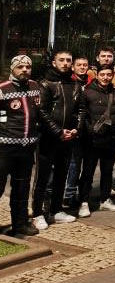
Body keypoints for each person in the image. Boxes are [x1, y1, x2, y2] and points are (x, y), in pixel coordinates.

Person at [1, 55, 69, 236]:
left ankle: (20, 224)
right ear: (13, 68)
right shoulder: (3, 89)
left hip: (27, 147)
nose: (24, 69)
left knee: (21, 188)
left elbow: (40, 112)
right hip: (5, 148)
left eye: (27, 67)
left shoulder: (35, 87)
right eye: (20, 66)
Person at [32, 50, 82, 230]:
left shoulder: (75, 84)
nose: (66, 63)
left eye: (69, 60)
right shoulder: (45, 84)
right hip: (48, 137)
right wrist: (58, 131)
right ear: (54, 63)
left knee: (62, 174)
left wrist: (76, 129)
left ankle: (56, 209)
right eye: (61, 60)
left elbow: (80, 109)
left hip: (68, 137)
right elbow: (41, 111)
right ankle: (37, 213)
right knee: (42, 177)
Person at [77, 64, 115, 218]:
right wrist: (88, 130)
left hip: (111, 138)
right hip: (92, 140)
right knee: (88, 171)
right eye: (103, 74)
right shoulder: (87, 92)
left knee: (107, 170)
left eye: (109, 75)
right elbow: (82, 113)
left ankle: (105, 199)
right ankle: (83, 202)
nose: (106, 77)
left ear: (112, 75)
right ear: (97, 74)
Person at [63, 55, 92, 211]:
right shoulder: (69, 83)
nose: (82, 67)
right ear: (73, 67)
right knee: (72, 164)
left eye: (85, 65)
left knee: (85, 166)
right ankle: (68, 195)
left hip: (90, 129)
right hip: (73, 129)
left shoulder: (92, 83)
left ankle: (81, 196)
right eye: (79, 65)